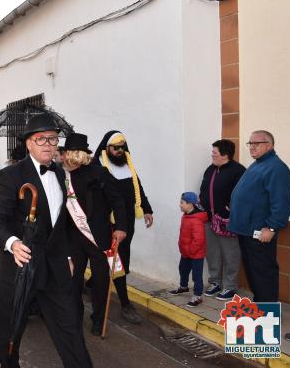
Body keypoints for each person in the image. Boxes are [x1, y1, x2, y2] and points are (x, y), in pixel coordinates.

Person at [0, 114, 93, 368]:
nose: (48, 143)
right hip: (21, 267)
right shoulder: (10, 175)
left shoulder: (60, 173)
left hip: (55, 267)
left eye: (53, 139)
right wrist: (12, 242)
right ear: (29, 143)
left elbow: (64, 223)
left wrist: (68, 255)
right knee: (11, 330)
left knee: (70, 328)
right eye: (41, 138)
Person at [59, 133, 127, 336]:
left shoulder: (99, 173)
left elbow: (118, 201)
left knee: (100, 280)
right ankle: (74, 316)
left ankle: (98, 318)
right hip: (73, 236)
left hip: (99, 237)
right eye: (67, 153)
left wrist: (121, 227)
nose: (67, 157)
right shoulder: (59, 175)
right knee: (73, 279)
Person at [92, 131, 153, 324]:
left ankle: (92, 282)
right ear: (106, 148)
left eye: (122, 147)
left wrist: (146, 209)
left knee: (118, 258)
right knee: (118, 260)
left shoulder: (128, 165)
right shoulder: (98, 166)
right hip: (108, 222)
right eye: (115, 148)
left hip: (127, 221)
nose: (119, 151)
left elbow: (138, 188)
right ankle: (125, 304)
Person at [229, 130, 290, 302]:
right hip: (247, 232)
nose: (252, 147)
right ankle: (261, 316)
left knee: (264, 276)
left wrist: (271, 227)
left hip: (260, 233)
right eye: (250, 143)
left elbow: (282, 203)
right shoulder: (258, 164)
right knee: (255, 277)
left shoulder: (276, 167)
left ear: (269, 145)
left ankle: (267, 319)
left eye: (257, 143)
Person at [198, 140, 245, 301]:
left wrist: (231, 208)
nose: (212, 155)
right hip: (209, 219)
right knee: (212, 253)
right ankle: (215, 283)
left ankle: (230, 287)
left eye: (215, 153)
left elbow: (243, 195)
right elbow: (203, 189)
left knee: (230, 254)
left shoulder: (238, 171)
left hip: (227, 221)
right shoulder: (210, 169)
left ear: (225, 155)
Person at [168, 192, 207, 308]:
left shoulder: (196, 220)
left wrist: (189, 250)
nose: (180, 205)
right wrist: (183, 247)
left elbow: (199, 240)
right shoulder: (186, 216)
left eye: (182, 203)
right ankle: (184, 287)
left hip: (196, 254)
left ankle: (198, 296)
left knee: (196, 275)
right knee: (183, 269)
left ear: (190, 204)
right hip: (186, 252)